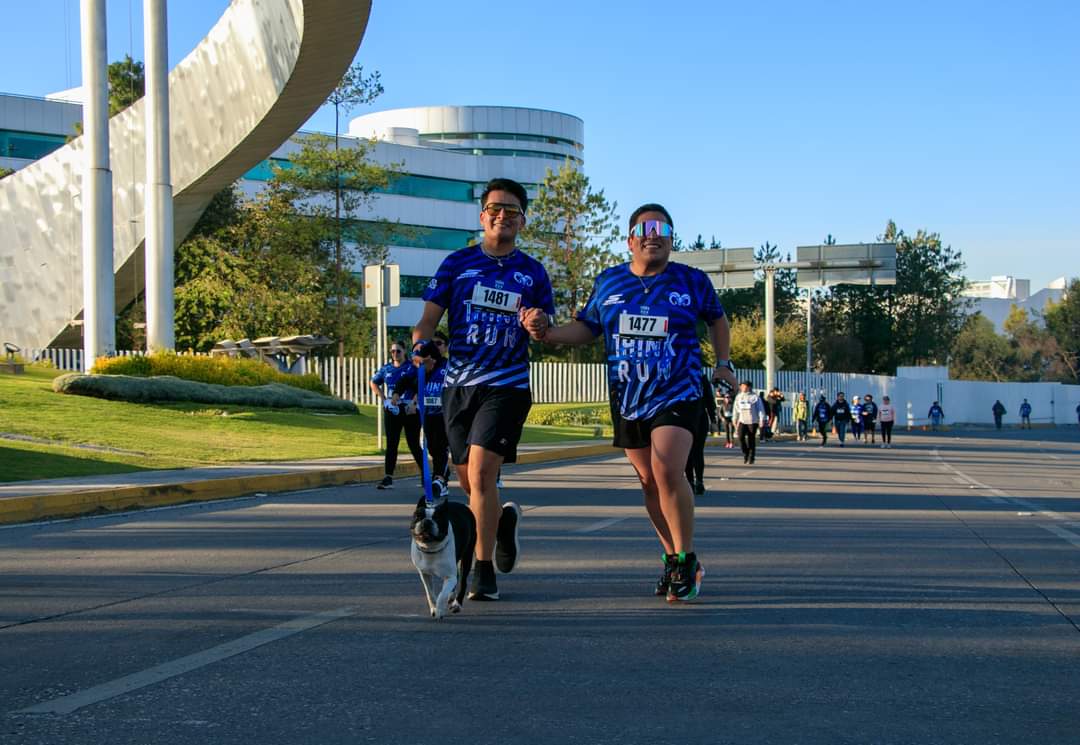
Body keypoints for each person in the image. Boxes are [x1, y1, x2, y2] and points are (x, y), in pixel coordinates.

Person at [525, 202, 738, 603]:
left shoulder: (691, 280)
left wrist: (723, 364)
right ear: (630, 240)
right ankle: (673, 557)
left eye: (662, 229)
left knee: (667, 469)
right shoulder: (608, 283)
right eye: (645, 228)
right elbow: (587, 328)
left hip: (678, 391)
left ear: (672, 240)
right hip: (628, 396)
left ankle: (687, 560)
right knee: (649, 482)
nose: (653, 234)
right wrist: (546, 333)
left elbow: (718, 320)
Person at [412, 177, 555, 602]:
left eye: (511, 211)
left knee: (480, 474)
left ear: (522, 221)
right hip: (459, 387)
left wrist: (538, 324)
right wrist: (422, 345)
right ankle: (502, 521)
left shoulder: (532, 272)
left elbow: (545, 325)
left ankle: (482, 569)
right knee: (472, 485)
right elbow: (427, 320)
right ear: (482, 216)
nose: (502, 216)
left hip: (506, 386)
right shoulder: (456, 264)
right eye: (495, 208)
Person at [392, 337, 451, 498]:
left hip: (445, 415)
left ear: (431, 359)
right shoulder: (420, 368)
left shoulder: (447, 367)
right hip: (429, 415)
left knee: (441, 447)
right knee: (432, 447)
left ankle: (439, 479)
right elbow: (405, 380)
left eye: (423, 362)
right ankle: (442, 476)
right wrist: (397, 394)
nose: (420, 365)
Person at [369, 340, 423, 489]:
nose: (395, 354)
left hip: (409, 409)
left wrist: (414, 402)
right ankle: (388, 477)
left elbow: (421, 384)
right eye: (392, 351)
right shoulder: (386, 369)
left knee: (413, 443)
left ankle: (425, 475)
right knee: (392, 443)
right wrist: (383, 399)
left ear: (404, 351)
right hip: (393, 409)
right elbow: (373, 382)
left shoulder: (412, 367)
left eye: (398, 351)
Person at [685, 378, 718, 496]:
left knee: (696, 451)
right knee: (687, 452)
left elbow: (709, 400)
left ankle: (698, 481)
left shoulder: (701, 379)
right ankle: (691, 482)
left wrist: (713, 421)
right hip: (683, 418)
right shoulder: (677, 374)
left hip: (699, 417)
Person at [734, 381, 766, 464]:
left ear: (748, 387)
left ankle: (751, 457)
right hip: (742, 421)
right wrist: (734, 418)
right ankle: (746, 453)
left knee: (751, 440)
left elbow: (760, 409)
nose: (742, 387)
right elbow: (736, 409)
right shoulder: (739, 396)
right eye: (741, 386)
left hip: (752, 421)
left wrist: (761, 419)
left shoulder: (755, 397)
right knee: (740, 438)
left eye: (744, 386)